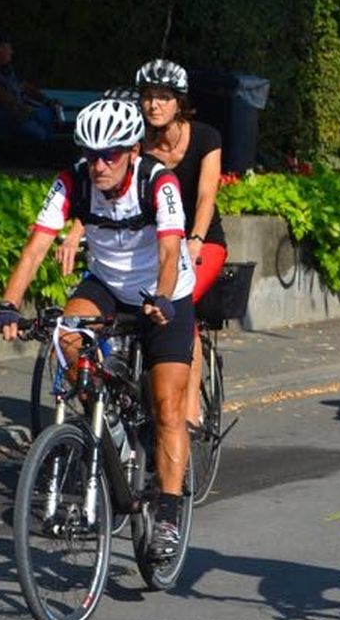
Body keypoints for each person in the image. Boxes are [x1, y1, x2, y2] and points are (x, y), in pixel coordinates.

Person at [0, 99, 196, 562]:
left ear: (133, 149)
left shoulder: (157, 183)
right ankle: (109, 422)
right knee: (66, 336)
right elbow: (36, 247)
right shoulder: (73, 181)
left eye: (111, 154)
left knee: (166, 407)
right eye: (91, 153)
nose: (99, 164)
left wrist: (162, 298)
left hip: (165, 292)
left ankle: (168, 509)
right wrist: (8, 304)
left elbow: (168, 252)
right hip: (106, 283)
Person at [60, 60, 226, 434]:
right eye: (148, 97)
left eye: (163, 97)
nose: (154, 105)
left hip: (201, 240)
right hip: (149, 244)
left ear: (179, 102)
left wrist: (195, 241)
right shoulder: (133, 144)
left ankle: (187, 409)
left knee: (183, 306)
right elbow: (106, 192)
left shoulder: (205, 138)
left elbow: (205, 198)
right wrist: (76, 230)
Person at [0, 31, 63, 140]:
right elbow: (0, 94)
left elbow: (25, 87)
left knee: (46, 114)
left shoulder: (7, 70)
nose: (11, 52)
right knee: (35, 129)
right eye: (8, 48)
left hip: (19, 114)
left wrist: (47, 101)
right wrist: (21, 107)